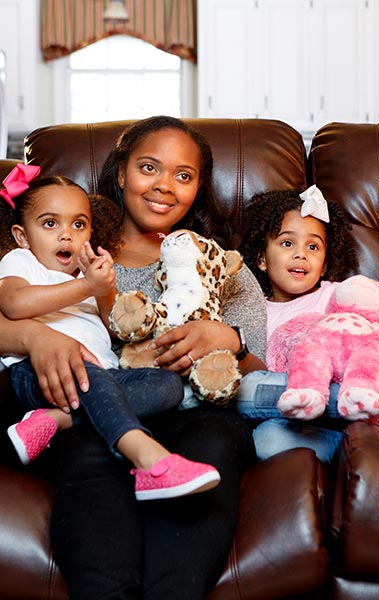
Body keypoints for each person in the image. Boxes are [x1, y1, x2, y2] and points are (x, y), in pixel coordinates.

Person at [0, 116, 265, 599]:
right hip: (92, 413)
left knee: (215, 443)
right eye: (149, 168)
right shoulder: (70, 249)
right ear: (121, 173)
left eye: (183, 176)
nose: (164, 186)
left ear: (199, 188)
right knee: (88, 451)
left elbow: (264, 371)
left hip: (194, 413)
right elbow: (10, 304)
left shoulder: (222, 265)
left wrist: (229, 339)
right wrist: (35, 340)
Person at [0, 168, 220, 500]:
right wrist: (86, 286)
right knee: (88, 374)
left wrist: (104, 290)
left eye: (78, 225)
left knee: (167, 386)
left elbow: (110, 330)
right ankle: (149, 459)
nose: (66, 236)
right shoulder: (22, 262)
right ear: (21, 235)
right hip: (37, 374)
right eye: (49, 224)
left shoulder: (84, 275)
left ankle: (59, 420)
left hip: (102, 376)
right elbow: (15, 304)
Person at [236, 185, 359, 464]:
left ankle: (352, 402)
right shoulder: (253, 308)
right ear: (262, 259)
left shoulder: (335, 295)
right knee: (263, 437)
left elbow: (370, 336)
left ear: (324, 265)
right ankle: (349, 407)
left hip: (332, 410)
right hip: (284, 420)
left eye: (313, 246)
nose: (301, 254)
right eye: (287, 243)